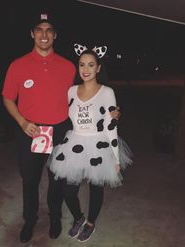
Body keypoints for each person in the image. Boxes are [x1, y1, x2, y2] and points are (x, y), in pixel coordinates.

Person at [2, 12, 121, 243]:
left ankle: (55, 218)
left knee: (57, 180)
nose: (44, 35)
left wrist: (113, 112)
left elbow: (90, 95)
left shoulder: (68, 67)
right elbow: (7, 98)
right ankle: (30, 219)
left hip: (60, 132)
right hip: (30, 131)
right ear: (32, 34)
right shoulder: (17, 66)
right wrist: (23, 122)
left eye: (49, 30)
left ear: (55, 35)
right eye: (39, 29)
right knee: (29, 179)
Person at [48, 49, 133, 242]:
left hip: (99, 144)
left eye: (91, 64)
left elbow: (111, 126)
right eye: (82, 64)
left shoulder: (107, 92)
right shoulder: (71, 91)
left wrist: (115, 157)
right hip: (75, 142)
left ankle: (91, 224)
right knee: (68, 191)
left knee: (96, 188)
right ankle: (78, 218)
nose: (86, 69)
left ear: (98, 68)